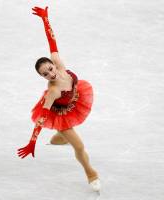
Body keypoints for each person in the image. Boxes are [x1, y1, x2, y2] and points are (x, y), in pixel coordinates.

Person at [17, 5, 101, 192]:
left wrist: (45, 19)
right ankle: (91, 173)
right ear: (43, 78)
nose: (50, 74)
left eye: (50, 68)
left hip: (74, 100)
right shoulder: (53, 91)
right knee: (79, 146)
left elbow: (51, 40)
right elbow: (41, 119)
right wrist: (32, 142)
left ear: (53, 65)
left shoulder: (59, 65)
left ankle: (58, 139)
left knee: (61, 139)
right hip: (60, 114)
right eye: (45, 74)